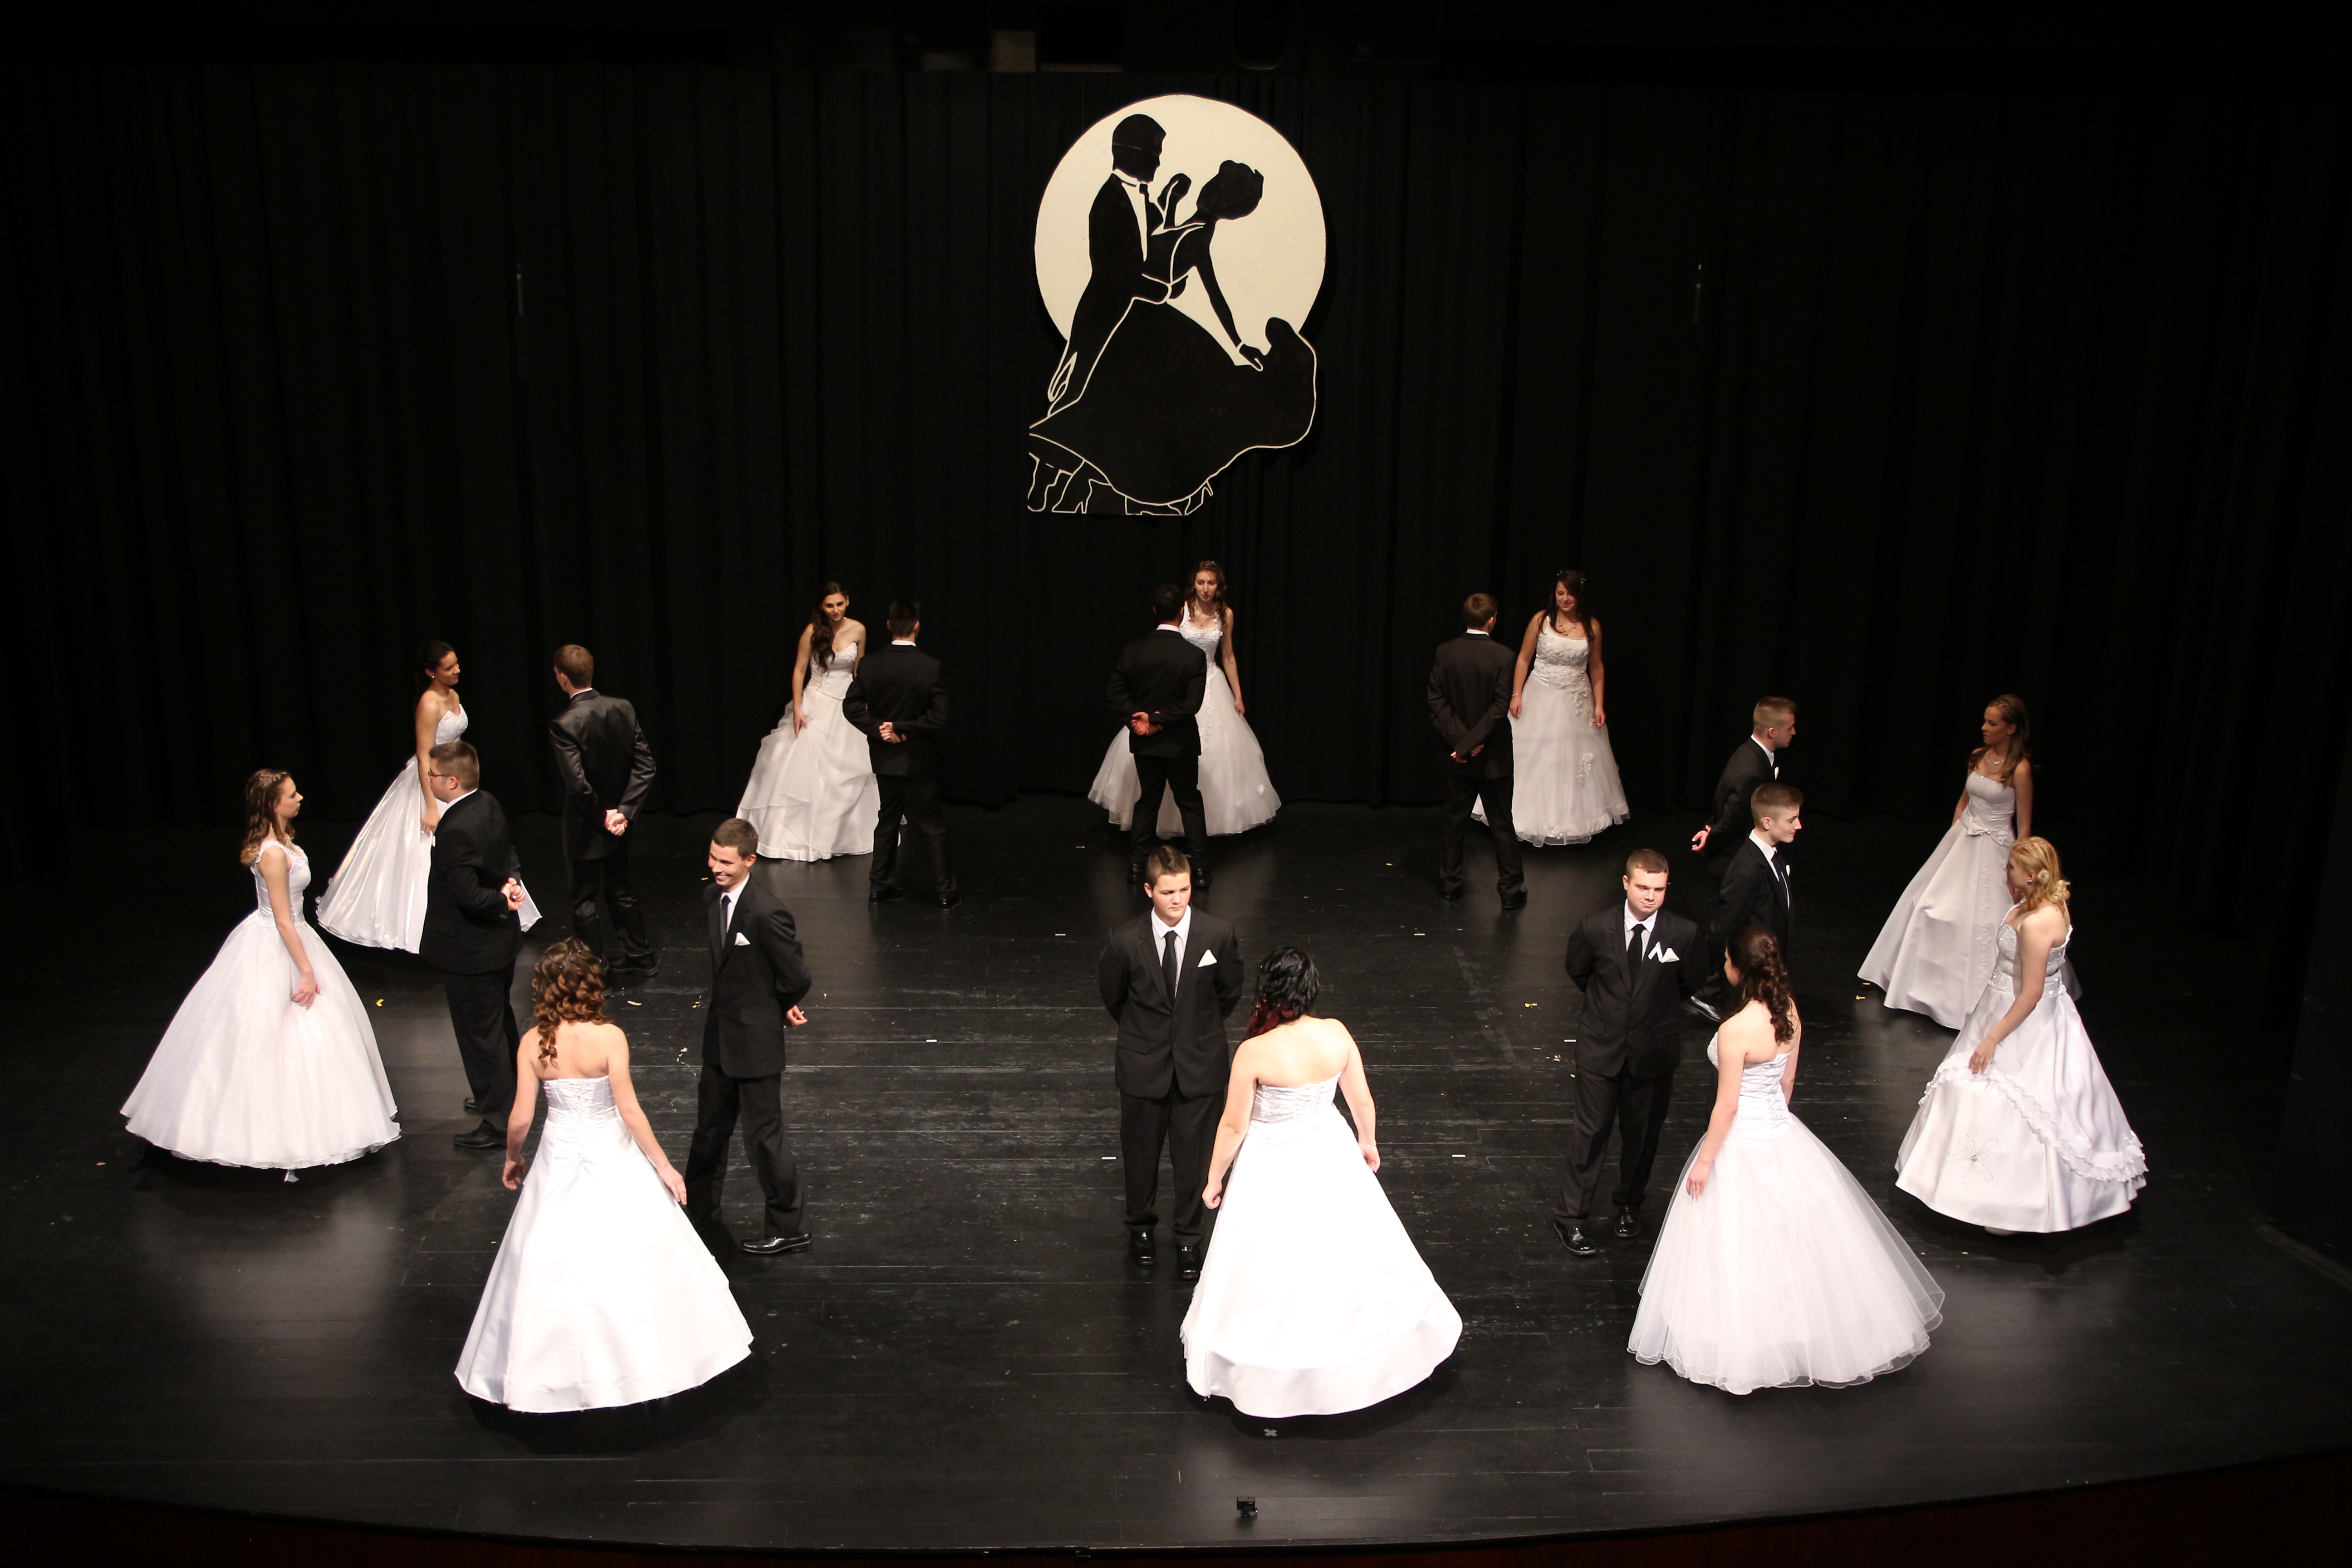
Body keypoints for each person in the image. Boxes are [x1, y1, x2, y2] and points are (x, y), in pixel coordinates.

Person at [1628, 927, 1945, 1395]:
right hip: (1779, 1131)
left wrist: (1705, 1161)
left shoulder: (1736, 1030)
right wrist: (1777, 1123)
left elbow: (1727, 1105)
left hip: (1742, 1138)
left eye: (1727, 962)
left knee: (1737, 1239)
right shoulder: (1789, 1011)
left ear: (1738, 969)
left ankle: (1742, 1342)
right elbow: (1787, 1083)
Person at [455, 940, 751, 1411]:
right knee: (631, 1252)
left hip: (557, 1155)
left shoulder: (533, 1042)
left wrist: (513, 1158)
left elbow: (521, 1118)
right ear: (592, 986)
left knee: (546, 1252)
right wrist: (663, 1165)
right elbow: (629, 1111)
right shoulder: (610, 1037)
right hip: (610, 1150)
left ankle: (545, 1375)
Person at [1183, 948, 1462, 1418]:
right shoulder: (1336, 1034)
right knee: (1347, 1250)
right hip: (1329, 1150)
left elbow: (1233, 1126)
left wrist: (1214, 1178)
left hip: (1272, 1163)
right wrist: (1368, 1143)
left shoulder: (1255, 1052)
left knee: (1273, 1265)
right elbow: (1361, 1100)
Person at [122, 769, 400, 1176]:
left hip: (295, 934)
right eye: (292, 795)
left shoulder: (284, 843)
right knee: (268, 1032)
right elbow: (284, 921)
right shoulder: (272, 853)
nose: (300, 798)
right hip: (278, 941)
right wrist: (306, 970)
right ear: (273, 804)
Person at [1028, 161, 1315, 515]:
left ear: (1228, 205)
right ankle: (1048, 482)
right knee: (1089, 401)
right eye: (1215, 182)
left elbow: (1213, 296)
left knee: (1100, 405)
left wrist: (1239, 344)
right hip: (1129, 319)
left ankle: (1054, 483)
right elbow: (1155, 251)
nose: (1211, 188)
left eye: (1221, 188)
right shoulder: (1186, 227)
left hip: (1143, 326)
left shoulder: (1198, 238)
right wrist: (1169, 203)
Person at [1895, 838, 2145, 1233]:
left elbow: (2030, 993)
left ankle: (2012, 1206)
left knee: (2015, 1100)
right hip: (1997, 1004)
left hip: (2024, 1019)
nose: (2005, 871)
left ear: (2031, 875)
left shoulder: (2037, 922)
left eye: (2011, 867)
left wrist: (1992, 1038)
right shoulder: (2041, 905)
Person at [317, 640, 541, 950]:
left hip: (454, 780)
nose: (457, 670)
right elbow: (425, 756)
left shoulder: (453, 695)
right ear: (431, 672)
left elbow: (457, 743)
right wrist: (431, 806)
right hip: (432, 781)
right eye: (449, 667)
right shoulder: (429, 703)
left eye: (457, 663)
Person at [1095, 844, 1243, 1282]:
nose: (1178, 900)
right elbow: (1115, 996)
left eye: (1184, 890)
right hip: (1144, 1067)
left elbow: (1229, 992)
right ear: (1148, 891)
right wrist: (1147, 1036)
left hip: (1200, 1066)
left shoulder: (1218, 934)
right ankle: (1140, 1229)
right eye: (1167, 892)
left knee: (1195, 1159)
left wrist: (1193, 1032)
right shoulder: (1125, 940)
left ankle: (1188, 1238)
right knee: (1141, 1155)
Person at [1550, 849, 1701, 1255]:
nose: (1651, 896)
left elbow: (1688, 982)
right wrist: (1611, 1011)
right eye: (1643, 887)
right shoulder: (1595, 927)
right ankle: (1571, 1217)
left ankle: (1630, 1206)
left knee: (1643, 1135)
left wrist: (1649, 1014)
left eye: (1659, 889)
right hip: (1601, 1048)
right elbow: (1579, 970)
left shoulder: (1683, 933)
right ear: (1626, 884)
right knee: (1590, 1134)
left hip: (1653, 1052)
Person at [1860, 695, 2036, 1028]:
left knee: (1983, 919)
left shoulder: (2020, 769)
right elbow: (1963, 802)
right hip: (1963, 840)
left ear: (2011, 729)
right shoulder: (1978, 757)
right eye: (1985, 721)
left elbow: (2024, 826)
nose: (1984, 728)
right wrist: (1954, 840)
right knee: (1929, 905)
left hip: (1997, 847)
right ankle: (1916, 986)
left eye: (1993, 723)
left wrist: (2018, 867)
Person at [685, 819, 815, 1256]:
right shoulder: (712, 898)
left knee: (763, 1138)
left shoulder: (765, 911)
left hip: (756, 1043)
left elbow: (796, 976)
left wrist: (777, 1005)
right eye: (712, 858)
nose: (716, 868)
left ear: (750, 861)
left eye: (725, 862)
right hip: (720, 1039)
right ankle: (699, 1211)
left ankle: (789, 1226)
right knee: (709, 1132)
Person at [1088, 561, 1279, 840]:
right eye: (1201, 582)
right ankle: (1161, 824)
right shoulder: (1182, 609)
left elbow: (1228, 656)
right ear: (1194, 585)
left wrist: (1238, 695)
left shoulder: (1225, 614)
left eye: (1211, 583)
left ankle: (1202, 829)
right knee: (1164, 750)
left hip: (1211, 683)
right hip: (1180, 684)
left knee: (1214, 755)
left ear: (1219, 586)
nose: (1205, 589)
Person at [420, 740, 529, 1152]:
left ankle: (498, 1120)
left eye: (432, 774)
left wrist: (502, 899)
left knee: (480, 1034)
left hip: (471, 949)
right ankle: (508, 1094)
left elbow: (466, 895)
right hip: (497, 943)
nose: (428, 780)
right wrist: (513, 884)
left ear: (452, 781)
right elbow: (507, 852)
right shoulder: (488, 803)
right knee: (498, 1023)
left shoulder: (457, 828)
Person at [1484, 570, 1629, 846]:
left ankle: (1570, 821)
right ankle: (1522, 817)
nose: (1565, 599)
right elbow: (1524, 658)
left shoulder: (1592, 626)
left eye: (1570, 594)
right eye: (1560, 593)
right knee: (1535, 756)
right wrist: (1516, 694)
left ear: (1580, 596)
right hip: (1540, 695)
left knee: (1571, 761)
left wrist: (1600, 704)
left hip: (1576, 702)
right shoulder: (1541, 621)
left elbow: (1596, 667)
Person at [738, 583, 879, 862]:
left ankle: (843, 834)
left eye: (840, 604)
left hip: (846, 705)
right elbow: (800, 670)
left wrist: (864, 703)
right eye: (830, 606)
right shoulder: (812, 632)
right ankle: (799, 838)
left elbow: (859, 670)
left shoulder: (859, 630)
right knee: (807, 767)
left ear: (847, 601)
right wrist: (798, 708)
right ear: (822, 607)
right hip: (817, 702)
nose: (836, 611)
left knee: (849, 767)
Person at [548, 645, 657, 985]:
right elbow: (646, 766)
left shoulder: (564, 723)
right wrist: (624, 813)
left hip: (587, 824)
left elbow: (577, 785)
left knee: (584, 899)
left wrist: (603, 816)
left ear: (562, 677)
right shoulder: (623, 707)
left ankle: (596, 972)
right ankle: (641, 957)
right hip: (619, 824)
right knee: (621, 887)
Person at [842, 599, 955, 907]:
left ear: (889, 626)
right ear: (917, 626)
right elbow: (939, 718)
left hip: (885, 758)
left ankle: (879, 887)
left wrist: (880, 728)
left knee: (887, 820)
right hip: (918, 759)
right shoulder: (931, 667)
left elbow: (851, 706)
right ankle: (946, 892)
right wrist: (903, 729)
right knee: (932, 825)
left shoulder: (871, 665)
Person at [1107, 584, 1211, 886]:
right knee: (1189, 803)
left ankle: (1137, 867)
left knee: (1148, 801)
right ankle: (1200, 870)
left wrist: (1141, 720)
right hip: (1180, 743)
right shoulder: (1193, 655)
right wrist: (1157, 720)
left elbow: (1115, 694)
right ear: (1183, 611)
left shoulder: (1134, 651)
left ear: (1155, 612)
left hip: (1146, 743)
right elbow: (1192, 705)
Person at [1428, 593, 1526, 908]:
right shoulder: (1504, 656)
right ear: (1492, 619)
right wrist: (1471, 743)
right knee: (1501, 823)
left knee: (1454, 820)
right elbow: (1500, 707)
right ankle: (1510, 891)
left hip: (1456, 756)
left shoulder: (1446, 651)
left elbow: (1436, 701)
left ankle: (1449, 885)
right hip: (1493, 757)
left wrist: (1461, 743)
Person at [1695, 782, 1801, 1020]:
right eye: (1792, 820)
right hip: (1747, 986)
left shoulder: (1772, 855)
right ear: (1768, 822)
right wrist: (1708, 980)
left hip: (1764, 976)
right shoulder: (1747, 869)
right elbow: (1724, 927)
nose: (1798, 825)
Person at [1689, 697, 1797, 860]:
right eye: (1790, 728)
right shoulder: (1752, 774)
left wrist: (1709, 829)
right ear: (1772, 732)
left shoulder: (1747, 751)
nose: (1794, 732)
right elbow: (1733, 820)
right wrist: (1710, 842)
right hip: (1736, 857)